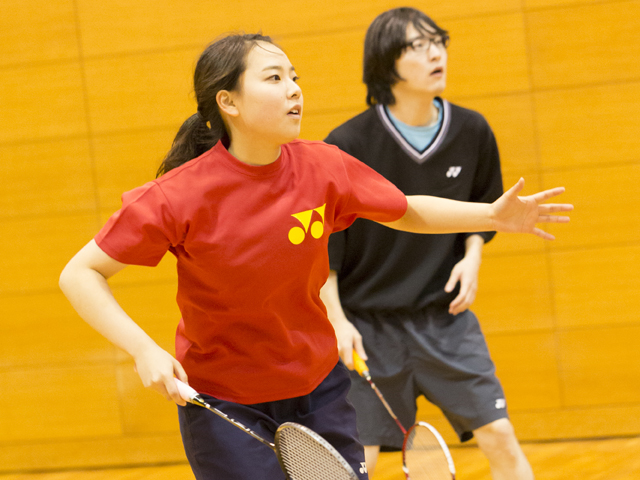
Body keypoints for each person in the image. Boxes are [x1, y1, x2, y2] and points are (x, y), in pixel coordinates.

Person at [59, 33, 570, 480]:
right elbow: (80, 274)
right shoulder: (178, 196)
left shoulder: (322, 167)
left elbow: (405, 210)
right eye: (275, 77)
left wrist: (493, 216)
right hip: (223, 397)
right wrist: (143, 349)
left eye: (295, 76)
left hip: (318, 386)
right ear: (229, 102)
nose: (294, 88)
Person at [320, 8, 536, 480]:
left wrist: (473, 254)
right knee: (363, 461)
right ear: (385, 62)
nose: (435, 52)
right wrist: (337, 321)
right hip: (368, 327)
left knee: (499, 435)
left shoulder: (471, 130)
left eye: (438, 41)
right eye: (417, 46)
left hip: (445, 321)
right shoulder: (347, 144)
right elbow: (324, 249)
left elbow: (484, 207)